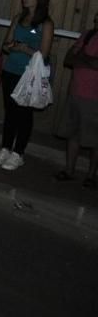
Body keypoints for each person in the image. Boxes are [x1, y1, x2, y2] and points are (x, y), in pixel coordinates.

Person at [0, 0, 55, 171]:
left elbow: (44, 53)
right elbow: (5, 43)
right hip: (11, 70)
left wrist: (24, 48)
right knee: (10, 111)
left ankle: (18, 153)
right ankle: (5, 147)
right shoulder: (18, 18)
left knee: (24, 114)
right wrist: (10, 46)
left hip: (29, 74)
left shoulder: (46, 23)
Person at [55, 12, 98, 186]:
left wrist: (82, 57)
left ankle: (91, 175)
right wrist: (87, 60)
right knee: (72, 133)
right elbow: (69, 58)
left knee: (95, 138)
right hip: (76, 92)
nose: (95, 20)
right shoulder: (87, 35)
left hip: (94, 96)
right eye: (95, 17)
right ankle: (69, 170)